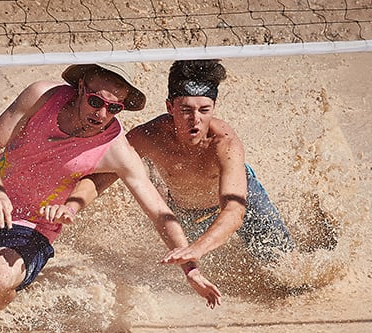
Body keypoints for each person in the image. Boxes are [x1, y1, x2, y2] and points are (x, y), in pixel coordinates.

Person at [0, 63, 222, 333]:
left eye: (114, 108)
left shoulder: (116, 148)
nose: (101, 115)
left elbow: (159, 212)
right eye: (96, 101)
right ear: (80, 89)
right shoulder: (41, 96)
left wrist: (190, 268)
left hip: (32, 228)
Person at [125, 59, 297, 265]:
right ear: (170, 107)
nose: (195, 119)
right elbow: (105, 171)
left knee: (286, 267)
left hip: (244, 202)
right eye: (186, 110)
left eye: (204, 110)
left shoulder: (224, 143)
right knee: (185, 270)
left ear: (214, 107)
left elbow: (234, 210)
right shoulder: (149, 137)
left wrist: (197, 248)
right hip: (185, 212)